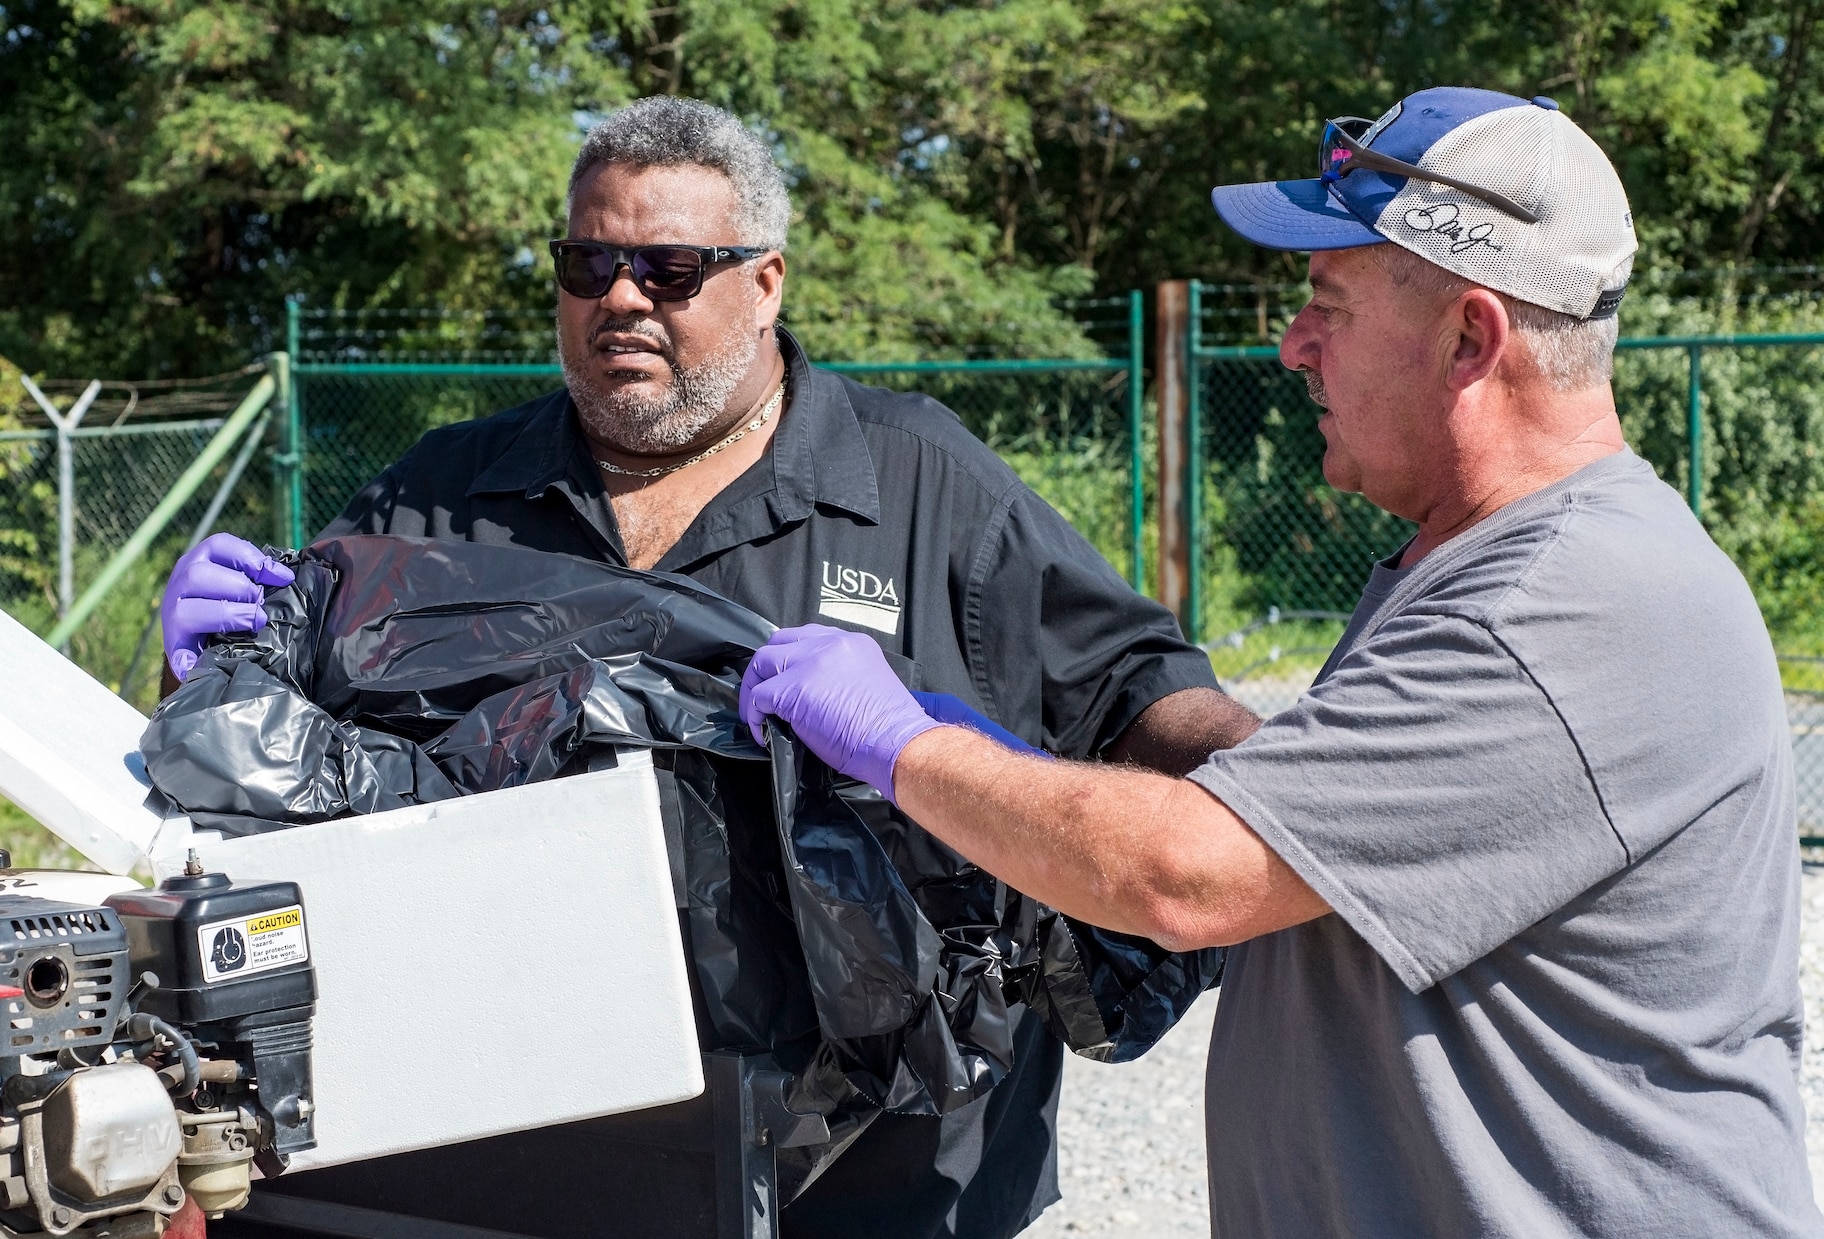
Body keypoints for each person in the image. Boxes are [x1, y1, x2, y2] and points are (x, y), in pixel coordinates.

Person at [159, 95, 1256, 1239]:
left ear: (765, 282)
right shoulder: (444, 499)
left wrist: (1282, 786)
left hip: (879, 1186)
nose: (620, 298)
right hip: (535, 1169)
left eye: (670, 268)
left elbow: (1136, 695)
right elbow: (281, 772)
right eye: (588, 263)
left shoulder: (921, 488)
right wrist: (216, 659)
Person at [739, 87, 1824, 1236]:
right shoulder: (1464, 559)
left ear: (1470, 335)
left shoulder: (1564, 596)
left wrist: (908, 741)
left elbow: (1184, 878)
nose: (1289, 344)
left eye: (1327, 304)